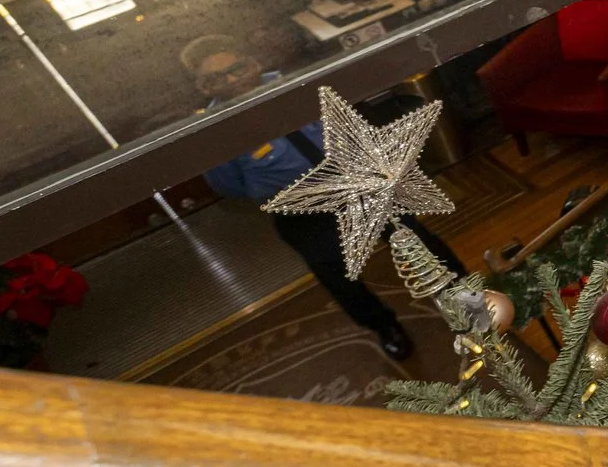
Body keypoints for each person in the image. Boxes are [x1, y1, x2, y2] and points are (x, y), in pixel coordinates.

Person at [183, 37, 463, 363]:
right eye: (217, 78)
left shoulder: (300, 85)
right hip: (301, 208)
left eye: (237, 68)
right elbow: (228, 185)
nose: (232, 80)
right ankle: (383, 325)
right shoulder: (215, 130)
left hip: (357, 181)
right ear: (204, 87)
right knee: (337, 276)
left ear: (254, 63)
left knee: (415, 240)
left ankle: (460, 295)